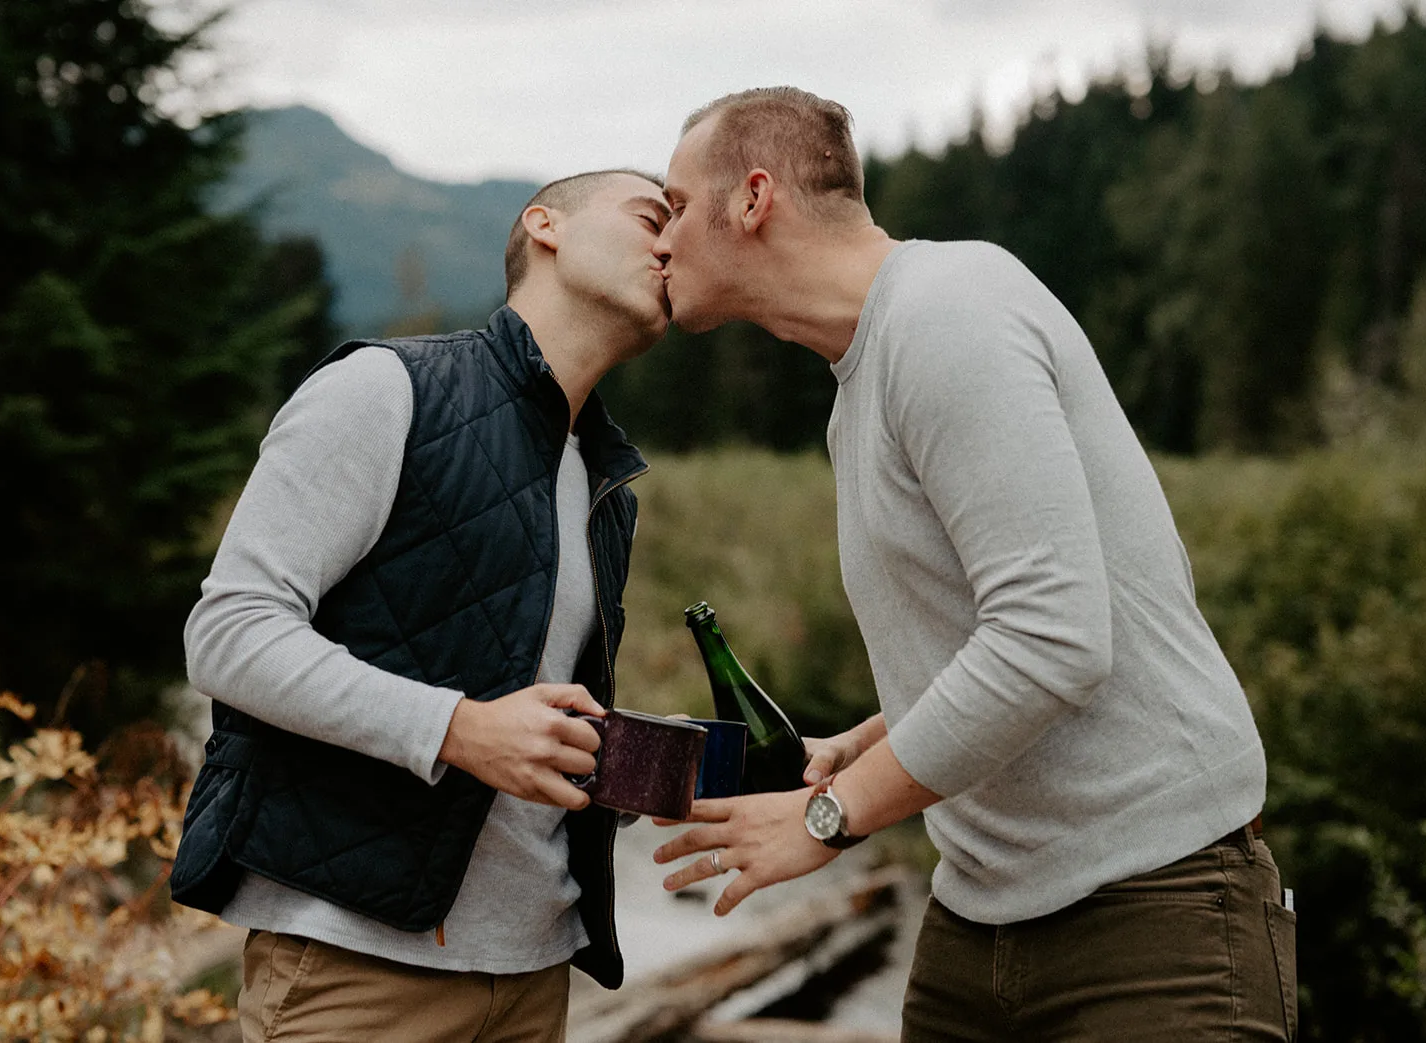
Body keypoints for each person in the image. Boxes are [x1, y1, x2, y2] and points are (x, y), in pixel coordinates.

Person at [648, 89, 1296, 1041]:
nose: (660, 242)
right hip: (980, 924)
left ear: (752, 199)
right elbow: (999, 630)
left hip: (1153, 917)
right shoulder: (859, 385)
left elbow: (1054, 638)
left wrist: (828, 815)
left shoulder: (948, 311)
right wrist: (866, 745)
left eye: (674, 206)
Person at [169, 169, 673, 1043]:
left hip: (534, 980)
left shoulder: (603, 482)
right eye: (648, 217)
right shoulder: (386, 389)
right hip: (356, 974)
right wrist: (458, 729)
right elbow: (228, 632)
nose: (672, 245)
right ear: (544, 225)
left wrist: (713, 771)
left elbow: (530, 712)